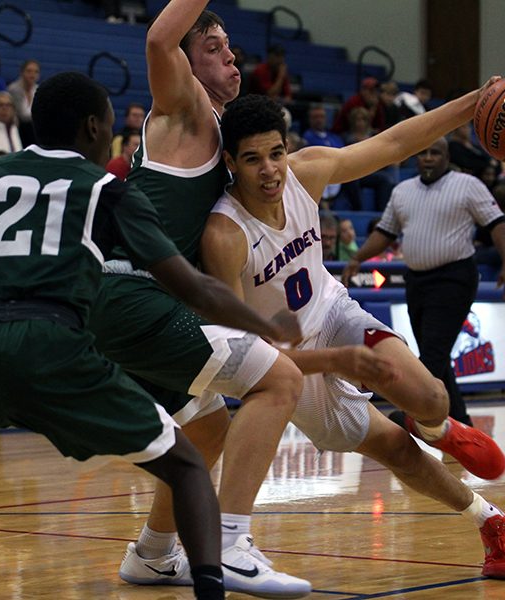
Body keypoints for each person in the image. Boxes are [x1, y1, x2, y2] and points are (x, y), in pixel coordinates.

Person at [0, 71, 301, 600]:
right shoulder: (104, 190)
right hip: (51, 345)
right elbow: (192, 286)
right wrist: (263, 323)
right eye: (111, 130)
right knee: (186, 465)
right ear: (93, 127)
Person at [203, 92, 505, 581]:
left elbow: (395, 142)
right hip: (288, 364)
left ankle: (438, 427)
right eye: (252, 159)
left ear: (288, 150)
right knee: (396, 451)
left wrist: (474, 104)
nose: (269, 171)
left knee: (432, 395)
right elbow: (244, 354)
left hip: (334, 313)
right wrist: (336, 360)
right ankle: (491, 520)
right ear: (230, 162)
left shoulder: (305, 174)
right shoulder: (225, 235)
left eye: (276, 154)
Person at [88, 2, 319, 595]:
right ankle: (234, 543)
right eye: (213, 48)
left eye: (230, 47)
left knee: (209, 429)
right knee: (280, 380)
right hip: (135, 297)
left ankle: (153, 554)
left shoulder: (222, 130)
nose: (230, 56)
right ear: (189, 66)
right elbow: (160, 38)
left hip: (136, 304)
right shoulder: (185, 108)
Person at [343, 136, 505, 426]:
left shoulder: (468, 185)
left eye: (435, 153)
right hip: (417, 281)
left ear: (447, 157)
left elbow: (497, 224)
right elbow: (385, 233)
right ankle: (462, 424)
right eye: (422, 152)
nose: (427, 158)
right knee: (434, 353)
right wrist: (357, 258)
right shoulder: (402, 191)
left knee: (433, 354)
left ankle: (411, 413)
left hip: (454, 278)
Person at [301, 103, 344, 206]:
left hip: (338, 171)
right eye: (315, 117)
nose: (319, 120)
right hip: (320, 173)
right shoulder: (307, 137)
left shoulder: (335, 137)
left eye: (322, 116)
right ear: (310, 119)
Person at [6, 58, 39, 145]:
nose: (32, 75)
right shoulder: (13, 89)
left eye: (36, 72)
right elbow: (20, 115)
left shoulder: (38, 90)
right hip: (19, 127)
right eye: (29, 71)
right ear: (22, 72)